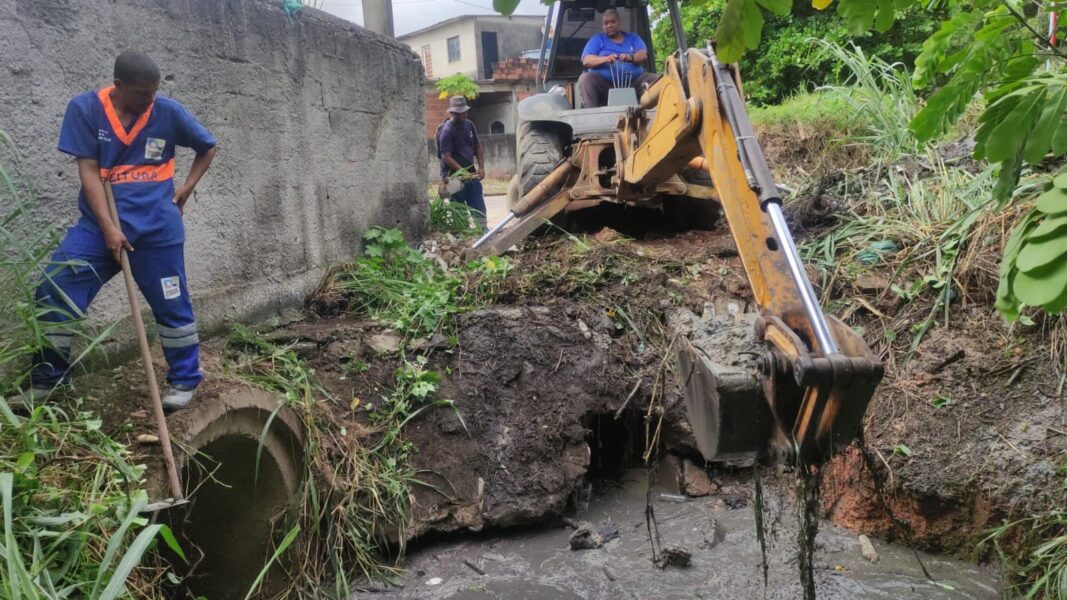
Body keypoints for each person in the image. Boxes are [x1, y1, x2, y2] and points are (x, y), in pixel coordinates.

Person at [21, 50, 217, 411]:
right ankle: (49, 381)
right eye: (142, 93)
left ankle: (185, 380)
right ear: (120, 85)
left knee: (173, 305)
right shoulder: (85, 110)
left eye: (154, 92)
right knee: (55, 287)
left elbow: (208, 146)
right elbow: (89, 173)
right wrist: (109, 228)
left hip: (158, 229)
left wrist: (186, 188)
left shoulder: (167, 112)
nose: (150, 100)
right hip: (99, 228)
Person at [578, 9, 657, 108]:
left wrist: (631, 58)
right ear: (603, 26)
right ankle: (591, 115)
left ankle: (658, 114)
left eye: (612, 21)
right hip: (605, 85)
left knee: (655, 79)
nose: (609, 25)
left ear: (619, 22)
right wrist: (606, 59)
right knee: (585, 78)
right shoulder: (597, 40)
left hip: (634, 83)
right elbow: (586, 60)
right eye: (606, 23)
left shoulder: (633, 38)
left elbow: (643, 55)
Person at [438, 96, 487, 232]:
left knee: (478, 203)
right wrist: (461, 172)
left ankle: (483, 230)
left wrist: (481, 168)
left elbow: (478, 147)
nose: (462, 115)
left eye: (464, 112)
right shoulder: (447, 131)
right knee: (459, 206)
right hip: (453, 176)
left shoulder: (469, 124)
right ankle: (463, 232)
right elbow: (446, 157)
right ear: (452, 113)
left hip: (471, 172)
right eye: (459, 113)